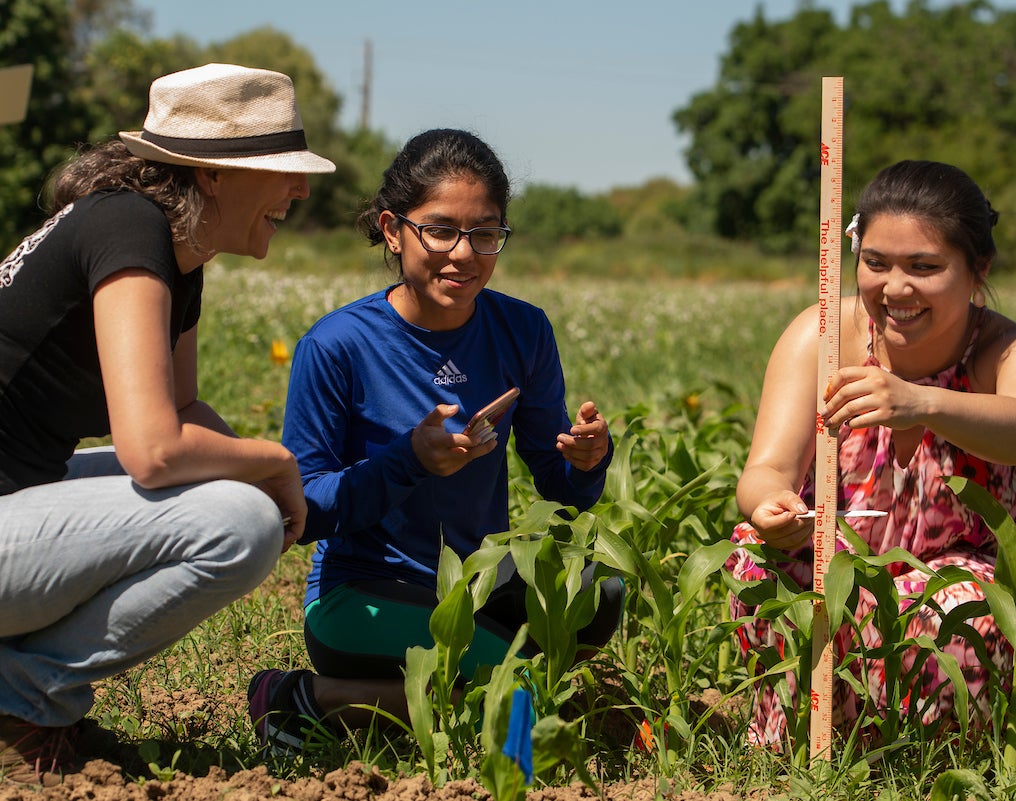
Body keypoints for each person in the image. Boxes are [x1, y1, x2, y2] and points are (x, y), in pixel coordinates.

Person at [0, 63, 334, 784]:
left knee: (237, 501)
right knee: (236, 522)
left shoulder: (177, 250)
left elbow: (181, 411)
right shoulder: (129, 227)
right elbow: (153, 449)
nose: (302, 189)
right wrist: (274, 464)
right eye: (284, 169)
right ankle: (20, 703)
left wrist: (283, 475)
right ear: (212, 174)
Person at [247, 128, 624, 756]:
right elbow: (303, 510)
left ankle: (463, 689)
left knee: (600, 596)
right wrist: (409, 462)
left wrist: (587, 459)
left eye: (485, 234)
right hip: (361, 591)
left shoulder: (523, 330)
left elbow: (560, 487)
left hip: (473, 581)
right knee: (518, 688)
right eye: (441, 230)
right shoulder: (337, 346)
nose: (464, 254)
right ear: (394, 230)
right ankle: (304, 698)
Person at [726, 160, 1016, 747]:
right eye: (876, 263)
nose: (896, 288)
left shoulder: (1013, 352)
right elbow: (766, 469)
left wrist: (923, 403)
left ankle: (930, 756)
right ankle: (797, 737)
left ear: (978, 268)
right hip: (833, 557)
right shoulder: (822, 335)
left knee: (965, 609)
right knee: (755, 561)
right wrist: (769, 506)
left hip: (955, 574)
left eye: (925, 267)